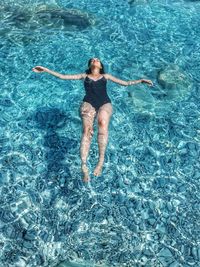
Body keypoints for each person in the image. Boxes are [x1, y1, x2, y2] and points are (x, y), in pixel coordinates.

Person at [32, 58, 153, 182]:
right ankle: (83, 164)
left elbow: (126, 83)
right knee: (86, 131)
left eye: (98, 60)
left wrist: (141, 81)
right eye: (93, 60)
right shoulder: (84, 76)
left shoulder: (106, 76)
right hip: (88, 103)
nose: (95, 60)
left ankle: (100, 161)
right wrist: (46, 70)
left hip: (104, 103)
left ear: (100, 66)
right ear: (90, 65)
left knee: (102, 123)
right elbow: (63, 77)